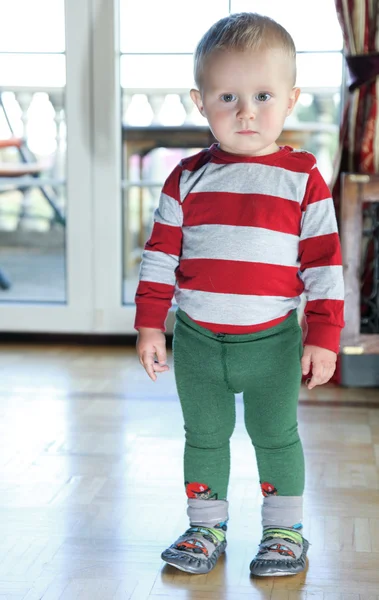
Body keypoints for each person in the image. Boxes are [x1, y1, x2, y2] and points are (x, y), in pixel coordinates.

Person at [134, 12, 344, 577]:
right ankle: (205, 525)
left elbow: (324, 264)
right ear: (201, 102)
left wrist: (324, 336)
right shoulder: (186, 177)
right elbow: (160, 257)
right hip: (199, 341)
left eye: (262, 95)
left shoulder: (302, 179)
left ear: (292, 98)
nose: (245, 111)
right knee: (203, 436)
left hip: (272, 342)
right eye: (227, 96)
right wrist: (150, 324)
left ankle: (283, 531)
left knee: (276, 437)